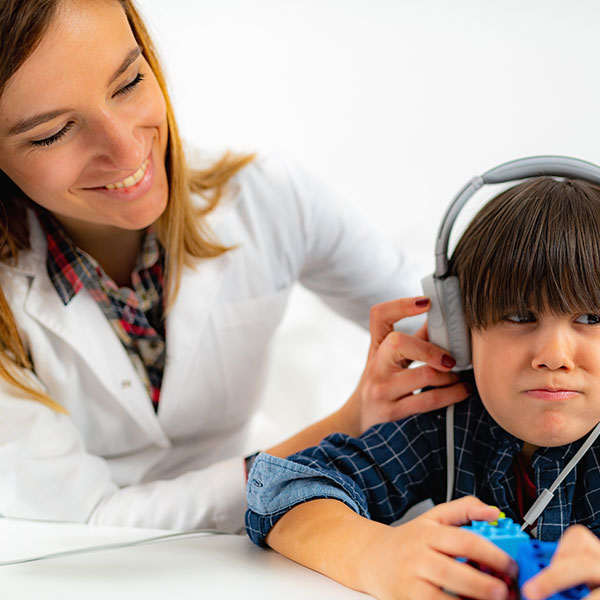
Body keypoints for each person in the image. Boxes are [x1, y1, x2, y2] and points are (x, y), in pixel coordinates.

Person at [0, 0, 470, 532]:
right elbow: (90, 520)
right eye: (52, 133)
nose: (127, 150)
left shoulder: (266, 199)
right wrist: (344, 424)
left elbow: (454, 326)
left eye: (129, 81)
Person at [246, 175, 600, 600]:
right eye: (521, 316)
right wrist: (376, 554)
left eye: (592, 319)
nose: (554, 355)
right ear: (459, 332)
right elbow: (282, 490)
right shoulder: (446, 424)